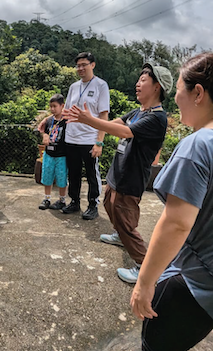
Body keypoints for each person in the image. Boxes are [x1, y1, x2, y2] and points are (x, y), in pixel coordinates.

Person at [130, 53, 213, 351]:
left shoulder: (198, 145)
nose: (175, 97)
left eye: (178, 89)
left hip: (198, 282)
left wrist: (145, 282)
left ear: (198, 93)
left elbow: (177, 223)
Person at [65, 63, 172, 283]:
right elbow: (115, 123)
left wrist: (89, 120)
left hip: (132, 176)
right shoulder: (139, 111)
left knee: (124, 216)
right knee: (109, 203)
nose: (137, 84)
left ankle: (143, 265)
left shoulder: (157, 118)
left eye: (143, 80)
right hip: (119, 171)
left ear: (157, 87)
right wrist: (91, 123)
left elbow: (125, 131)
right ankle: (120, 235)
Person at [60, 52, 110, 220]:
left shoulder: (101, 86)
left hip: (89, 139)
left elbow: (104, 116)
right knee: (73, 172)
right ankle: (74, 201)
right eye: (78, 65)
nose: (80, 68)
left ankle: (93, 204)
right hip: (71, 138)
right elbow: (65, 111)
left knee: (91, 173)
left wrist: (99, 142)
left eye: (84, 65)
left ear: (92, 65)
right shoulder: (74, 87)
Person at [38, 94, 68, 210]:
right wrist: (44, 135)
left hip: (62, 155)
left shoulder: (66, 121)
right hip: (49, 154)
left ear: (62, 106)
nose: (52, 109)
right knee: (47, 176)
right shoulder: (49, 120)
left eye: (55, 106)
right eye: (51, 106)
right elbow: (44, 131)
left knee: (62, 177)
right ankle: (47, 198)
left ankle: (62, 199)